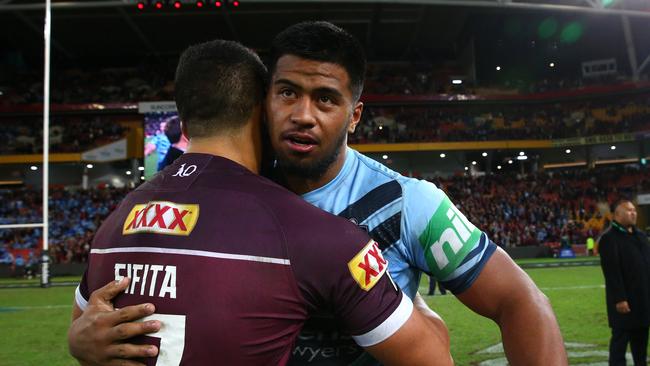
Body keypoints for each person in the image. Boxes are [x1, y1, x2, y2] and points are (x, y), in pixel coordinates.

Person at [69, 21, 566, 365]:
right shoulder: (224, 194)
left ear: (354, 115)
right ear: (263, 101)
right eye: (287, 92)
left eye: (326, 99)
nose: (303, 113)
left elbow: (521, 302)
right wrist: (80, 337)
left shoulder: (409, 204)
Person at [599, 200, 650, 366]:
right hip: (624, 301)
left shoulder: (641, 236)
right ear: (617, 215)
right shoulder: (609, 238)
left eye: (634, 210)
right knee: (620, 342)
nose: (633, 213)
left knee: (641, 342)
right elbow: (611, 272)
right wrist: (620, 298)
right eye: (628, 211)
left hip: (643, 299)